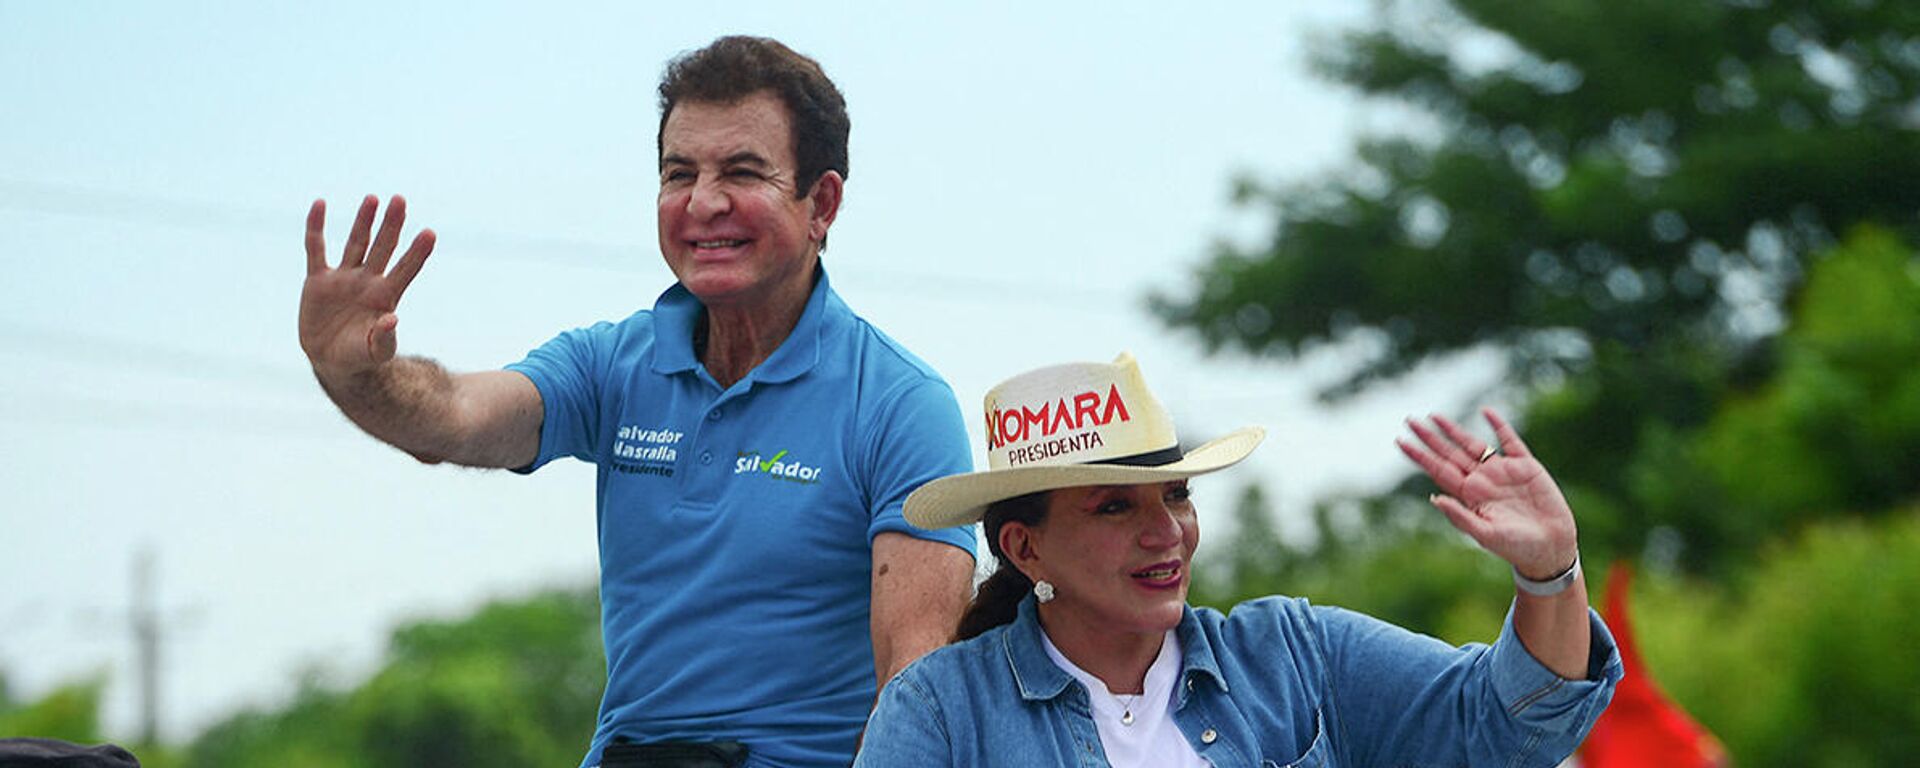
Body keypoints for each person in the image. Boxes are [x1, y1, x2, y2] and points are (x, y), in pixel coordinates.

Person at [297, 36, 977, 768]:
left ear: (823, 203)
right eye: (678, 173)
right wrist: (354, 372)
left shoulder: (902, 405)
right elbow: (452, 420)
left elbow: (916, 699)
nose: (703, 202)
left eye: (741, 172)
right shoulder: (612, 363)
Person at [854, 353, 1623, 768]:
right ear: (1024, 547)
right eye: (1116, 506)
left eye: (1178, 496)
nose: (1168, 532)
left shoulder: (1295, 654)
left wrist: (1549, 570)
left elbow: (1504, 728)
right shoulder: (940, 708)